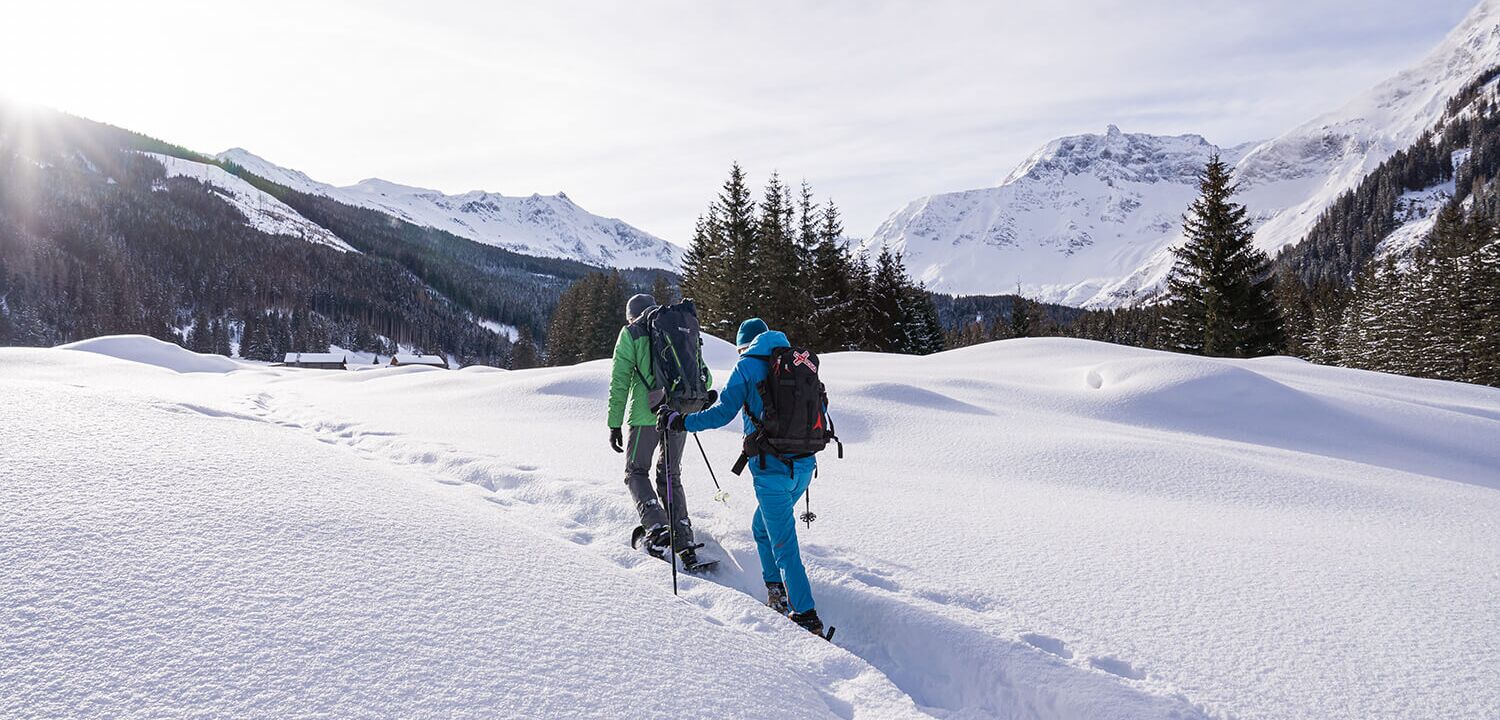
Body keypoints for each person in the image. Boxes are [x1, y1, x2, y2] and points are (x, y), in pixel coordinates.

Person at [657, 317, 825, 637]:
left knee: (784, 543)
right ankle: (775, 589)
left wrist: (681, 422)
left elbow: (722, 414)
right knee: (761, 528)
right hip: (804, 467)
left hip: (771, 471)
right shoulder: (799, 362)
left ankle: (806, 614)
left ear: (743, 347)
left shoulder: (746, 367)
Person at [607, 293, 714, 567]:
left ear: (632, 315)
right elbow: (705, 375)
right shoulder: (677, 327)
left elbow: (620, 381)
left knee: (635, 472)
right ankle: (685, 540)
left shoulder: (631, 333)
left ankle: (656, 530)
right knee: (670, 473)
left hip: (645, 416)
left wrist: (614, 423)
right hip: (678, 413)